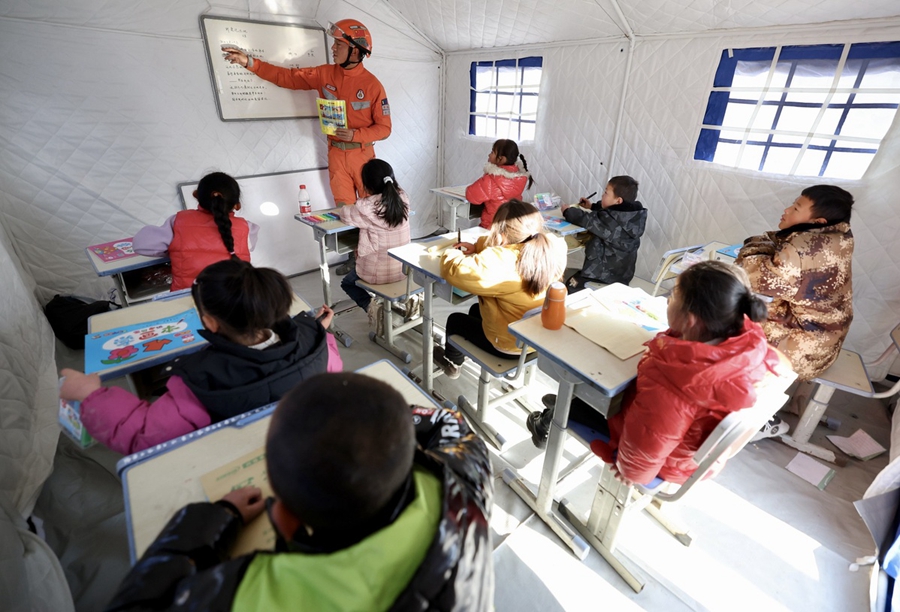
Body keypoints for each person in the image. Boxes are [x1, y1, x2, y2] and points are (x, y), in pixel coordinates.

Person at [102, 373, 493, 610]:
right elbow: (450, 420)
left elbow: (135, 603)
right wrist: (373, 424)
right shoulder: (464, 474)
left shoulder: (245, 597)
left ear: (284, 521)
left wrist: (214, 516)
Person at [529, 261, 795, 485]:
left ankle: (550, 419)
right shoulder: (747, 338)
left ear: (690, 320)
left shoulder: (674, 383)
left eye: (673, 296)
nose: (667, 300)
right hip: (700, 453)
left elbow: (650, 439)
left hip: (668, 463)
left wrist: (629, 472)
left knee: (578, 398)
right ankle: (560, 409)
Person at [59, 260, 336, 455]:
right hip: (301, 441)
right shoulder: (314, 339)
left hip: (242, 455)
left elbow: (143, 435)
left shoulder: (200, 379)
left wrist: (91, 395)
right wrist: (314, 331)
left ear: (210, 323)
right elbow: (329, 367)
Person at [223, 19, 391, 275]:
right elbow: (287, 77)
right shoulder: (325, 74)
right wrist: (250, 63)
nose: (333, 49)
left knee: (370, 207)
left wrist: (356, 134)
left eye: (338, 45)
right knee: (344, 208)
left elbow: (385, 128)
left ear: (355, 50)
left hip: (363, 157)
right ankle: (353, 255)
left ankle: (374, 254)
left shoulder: (373, 85)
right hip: (336, 154)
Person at [433, 199, 567, 379]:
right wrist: (478, 246)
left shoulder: (504, 262)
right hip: (536, 338)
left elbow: (457, 271)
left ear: (502, 234)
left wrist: (452, 253)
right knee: (475, 309)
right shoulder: (550, 247)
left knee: (455, 320)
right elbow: (506, 246)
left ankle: (452, 363)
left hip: (508, 346)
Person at [736, 185, 854, 382]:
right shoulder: (838, 236)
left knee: (726, 310)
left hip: (802, 354)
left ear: (818, 222)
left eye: (796, 208)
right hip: (825, 343)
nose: (787, 210)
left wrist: (753, 247)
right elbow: (775, 241)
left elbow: (750, 274)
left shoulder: (803, 250)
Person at [133, 171, 258, 291]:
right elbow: (248, 247)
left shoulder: (178, 222)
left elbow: (140, 245)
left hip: (187, 302)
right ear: (237, 205)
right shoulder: (246, 228)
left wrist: (174, 250)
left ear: (195, 195)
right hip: (233, 301)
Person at [337, 158, 410, 321]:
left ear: (366, 185)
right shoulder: (403, 199)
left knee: (347, 283)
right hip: (404, 270)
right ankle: (400, 305)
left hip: (376, 273)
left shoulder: (364, 208)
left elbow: (344, 214)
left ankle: (373, 309)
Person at [561, 175, 647, 292]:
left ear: (618, 201)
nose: (602, 195)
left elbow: (585, 219)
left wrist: (567, 210)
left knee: (570, 284)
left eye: (606, 193)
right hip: (623, 275)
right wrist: (592, 206)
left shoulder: (608, 220)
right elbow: (612, 213)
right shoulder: (633, 216)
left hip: (603, 275)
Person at [465, 139, 533, 229]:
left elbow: (471, 195)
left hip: (492, 227)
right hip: (511, 227)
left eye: (492, 152)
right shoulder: (520, 178)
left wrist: (485, 177)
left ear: (502, 159)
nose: (489, 154)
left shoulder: (491, 179)